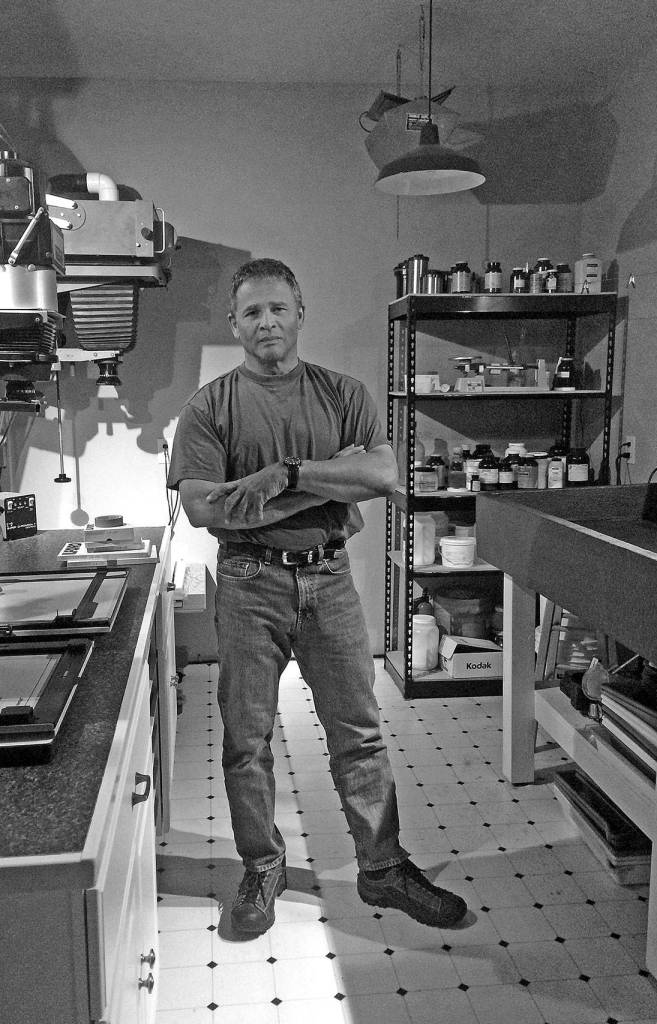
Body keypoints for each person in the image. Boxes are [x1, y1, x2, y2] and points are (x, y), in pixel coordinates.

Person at [167, 258, 467, 936]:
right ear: (235, 324)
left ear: (300, 313)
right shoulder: (210, 407)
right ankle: (263, 868)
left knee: (357, 732)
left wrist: (285, 475)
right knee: (247, 739)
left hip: (329, 578)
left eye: (278, 308)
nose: (266, 321)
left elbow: (384, 473)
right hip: (249, 583)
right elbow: (203, 509)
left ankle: (383, 868)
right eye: (252, 312)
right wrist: (328, 484)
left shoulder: (343, 393)